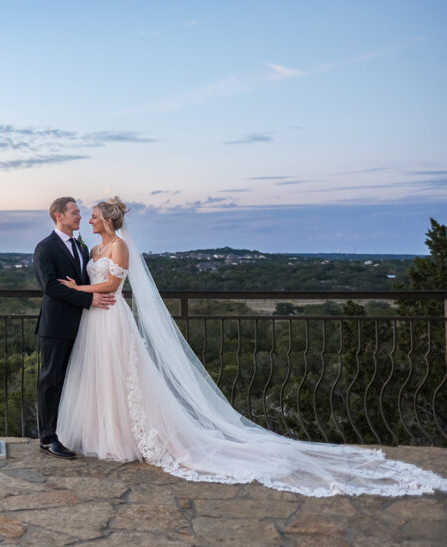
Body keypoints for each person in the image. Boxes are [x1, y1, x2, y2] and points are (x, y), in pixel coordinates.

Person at [55, 197, 447, 496]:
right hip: (95, 320)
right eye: (83, 215)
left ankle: (132, 438)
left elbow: (113, 286)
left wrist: (80, 288)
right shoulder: (92, 252)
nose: (87, 220)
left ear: (106, 220)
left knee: (124, 377)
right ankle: (105, 436)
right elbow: (97, 281)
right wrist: (84, 292)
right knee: (99, 377)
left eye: (92, 215)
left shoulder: (119, 247)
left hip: (112, 316)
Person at [33, 197, 114, 459]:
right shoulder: (45, 248)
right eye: (75, 212)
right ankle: (47, 438)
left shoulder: (81, 246)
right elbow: (51, 287)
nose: (80, 217)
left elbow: (83, 280)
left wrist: (108, 289)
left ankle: (74, 432)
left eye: (80, 213)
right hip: (55, 325)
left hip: (82, 325)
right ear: (59, 216)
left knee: (74, 381)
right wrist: (89, 299)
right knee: (51, 380)